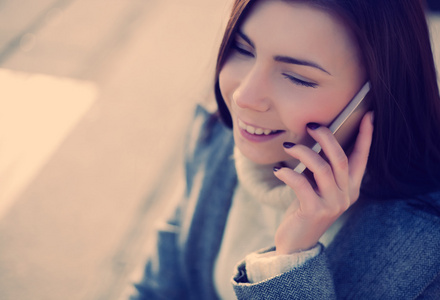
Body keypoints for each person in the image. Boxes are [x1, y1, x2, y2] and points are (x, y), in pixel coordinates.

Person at [130, 0, 440, 299]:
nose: (244, 97)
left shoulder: (426, 249)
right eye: (242, 49)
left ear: (372, 97)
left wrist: (289, 262)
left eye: (297, 77)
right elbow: (156, 289)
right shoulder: (216, 135)